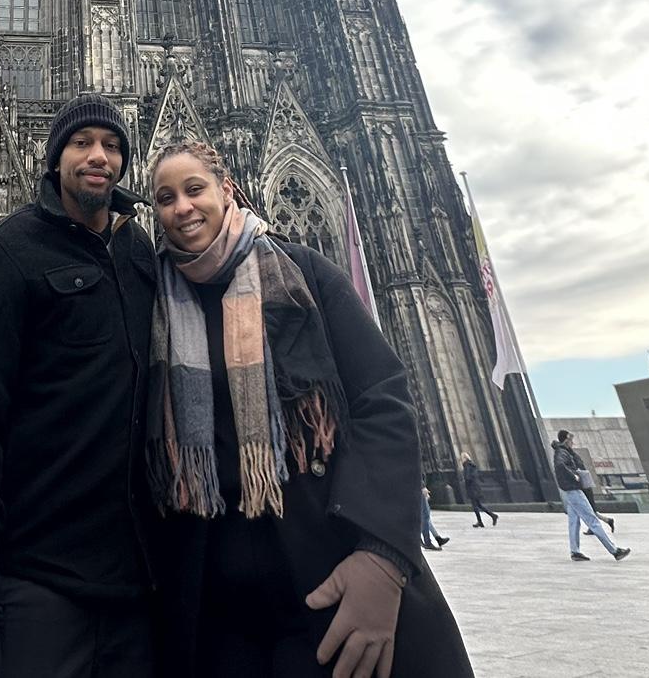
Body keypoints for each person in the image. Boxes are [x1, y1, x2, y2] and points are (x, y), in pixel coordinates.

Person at [146, 139, 473, 678]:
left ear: (228, 190)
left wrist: (383, 556)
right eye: (165, 197)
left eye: (194, 189)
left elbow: (384, 399)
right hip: (221, 608)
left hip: (329, 572)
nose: (181, 207)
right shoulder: (151, 296)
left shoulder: (303, 273)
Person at [0, 93, 156, 678]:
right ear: (55, 158)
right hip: (40, 585)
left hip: (136, 589)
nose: (98, 156)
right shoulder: (9, 252)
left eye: (111, 145)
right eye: (82, 143)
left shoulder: (140, 255)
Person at [552, 430, 629, 564]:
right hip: (573, 490)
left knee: (573, 522)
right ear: (566, 440)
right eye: (571, 440)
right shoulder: (562, 452)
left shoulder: (565, 451)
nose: (573, 442)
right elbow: (560, 465)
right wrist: (573, 475)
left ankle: (575, 551)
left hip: (570, 491)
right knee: (592, 520)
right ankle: (615, 551)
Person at [460, 455, 498, 528]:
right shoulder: (472, 465)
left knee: (475, 506)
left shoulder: (467, 465)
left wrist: (465, 479)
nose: (461, 460)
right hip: (475, 488)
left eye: (461, 458)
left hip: (472, 488)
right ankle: (492, 516)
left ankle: (481, 521)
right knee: (479, 505)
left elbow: (468, 477)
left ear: (465, 458)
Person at [421, 486, 449, 552]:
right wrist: (422, 487)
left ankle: (437, 538)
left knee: (425, 517)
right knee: (424, 516)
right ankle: (427, 542)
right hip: (418, 489)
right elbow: (416, 475)